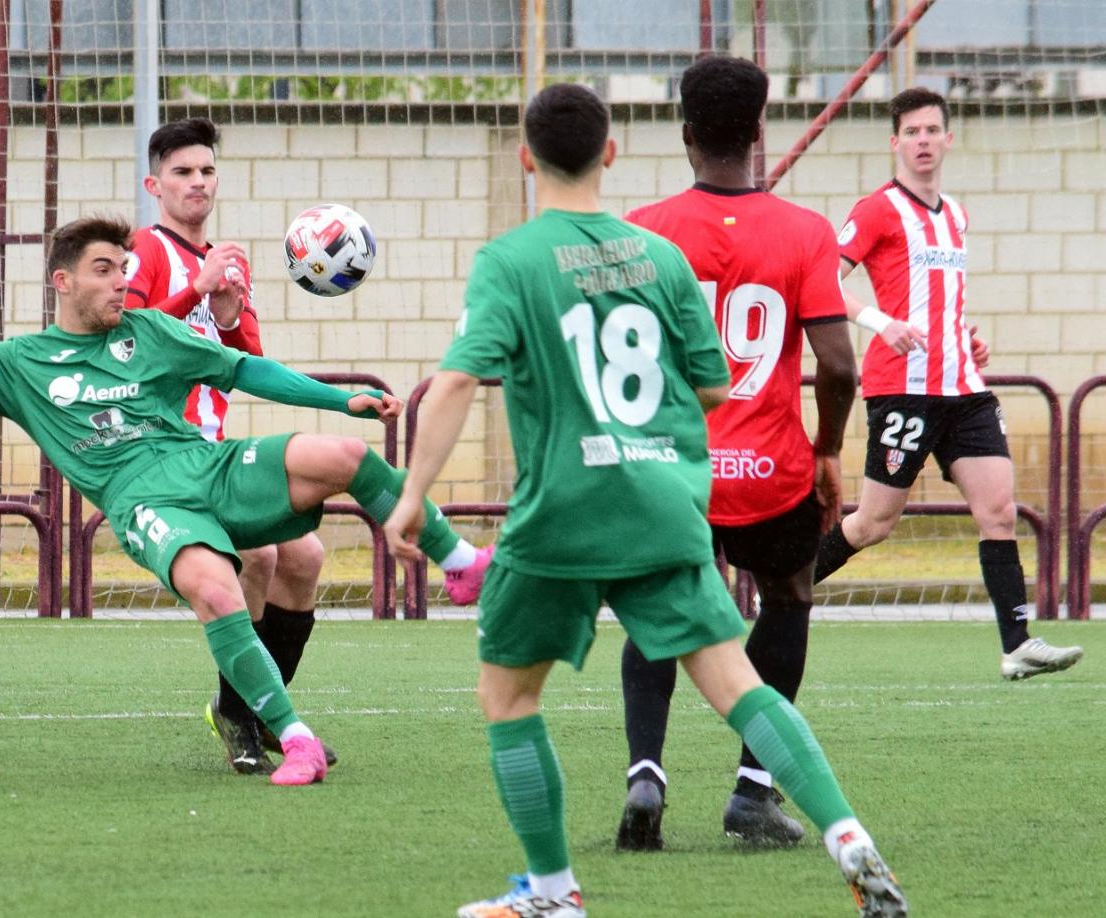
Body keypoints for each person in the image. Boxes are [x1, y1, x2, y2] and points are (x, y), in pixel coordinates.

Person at [384, 83, 907, 918]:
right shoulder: (656, 257)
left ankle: (554, 893)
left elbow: (453, 384)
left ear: (527, 159)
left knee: (509, 697)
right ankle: (849, 838)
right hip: (662, 503)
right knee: (740, 683)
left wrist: (413, 495)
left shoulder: (511, 260)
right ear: (612, 153)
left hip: (560, 512)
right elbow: (708, 383)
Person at [0, 216, 491, 787]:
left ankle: (462, 564)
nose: (121, 281)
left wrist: (342, 401)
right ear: (63, 281)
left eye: (123, 269)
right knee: (216, 588)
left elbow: (242, 369)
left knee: (345, 456)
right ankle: (295, 737)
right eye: (103, 270)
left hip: (207, 465)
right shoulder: (16, 363)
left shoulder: (150, 331)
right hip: (146, 503)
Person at [615, 56, 858, 851]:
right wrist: (826, 453)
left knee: (657, 612)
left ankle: (645, 774)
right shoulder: (807, 232)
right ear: (758, 133)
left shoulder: (643, 229)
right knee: (787, 597)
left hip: (672, 469)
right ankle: (754, 792)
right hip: (773, 473)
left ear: (684, 134)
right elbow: (839, 364)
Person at [815, 87, 1083, 681]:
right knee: (873, 525)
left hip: (963, 388)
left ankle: (1017, 644)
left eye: (932, 130)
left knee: (998, 510)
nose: (923, 141)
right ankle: (782, 592)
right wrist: (880, 324)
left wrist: (967, 338)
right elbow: (822, 280)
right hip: (903, 390)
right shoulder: (878, 209)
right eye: (912, 132)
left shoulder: (957, 214)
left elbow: (938, 300)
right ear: (895, 143)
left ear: (949, 138)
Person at [125, 117, 331, 775]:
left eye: (207, 170)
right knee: (260, 555)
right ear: (154, 184)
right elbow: (119, 338)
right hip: (160, 455)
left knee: (305, 555)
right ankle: (248, 715)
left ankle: (253, 713)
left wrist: (229, 314)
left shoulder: (224, 262)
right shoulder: (148, 250)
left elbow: (253, 362)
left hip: (210, 449)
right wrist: (197, 287)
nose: (197, 183)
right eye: (183, 172)